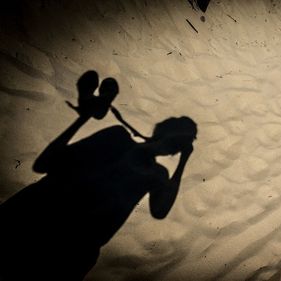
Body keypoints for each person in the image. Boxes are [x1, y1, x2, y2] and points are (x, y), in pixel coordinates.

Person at [0, 71, 197, 280]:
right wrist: (82, 119)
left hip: (71, 250)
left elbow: (160, 211)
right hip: (35, 215)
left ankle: (90, 109)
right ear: (163, 130)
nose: (175, 145)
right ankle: (89, 110)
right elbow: (44, 164)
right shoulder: (119, 138)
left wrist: (184, 161)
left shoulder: (158, 174)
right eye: (178, 136)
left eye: (181, 143)